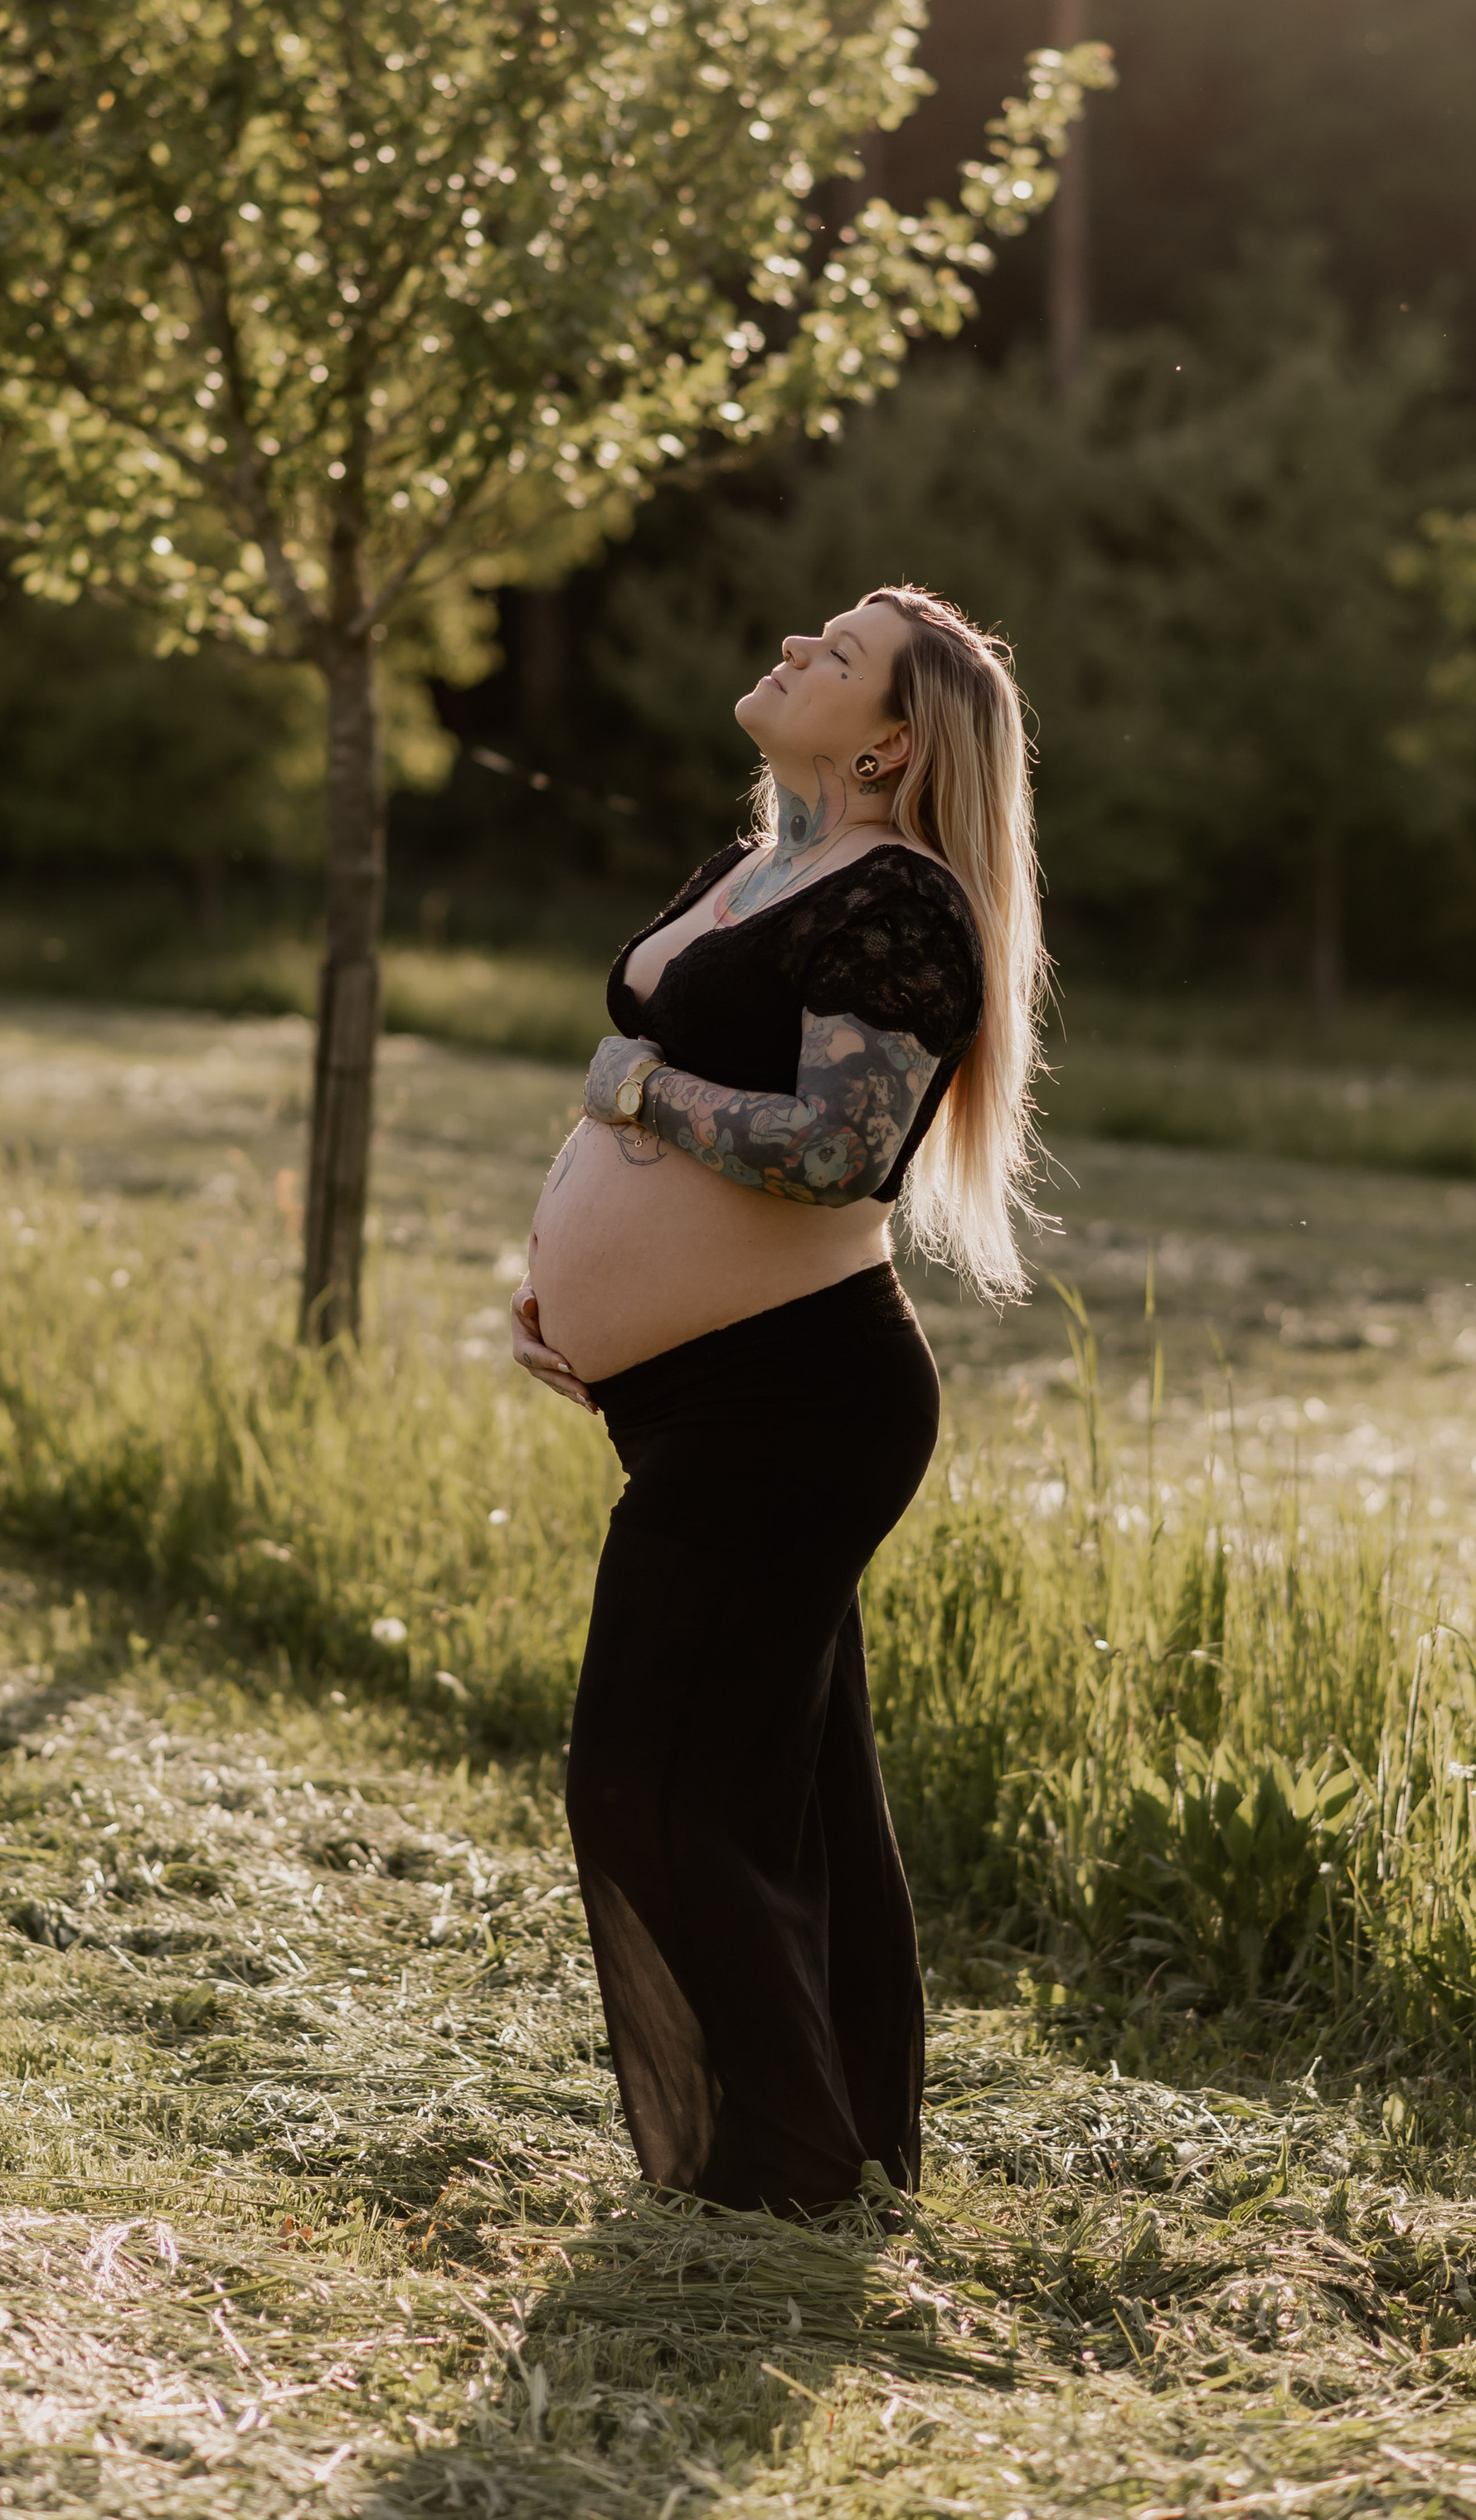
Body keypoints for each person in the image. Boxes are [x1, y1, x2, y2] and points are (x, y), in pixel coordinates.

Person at [510, 584, 1045, 2217]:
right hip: (695, 1400)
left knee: (647, 1776)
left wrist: (636, 1092)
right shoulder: (764, 866)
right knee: (789, 1786)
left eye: (840, 656)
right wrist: (577, 1290)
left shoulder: (901, 903)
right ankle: (847, 2142)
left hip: (795, 1408)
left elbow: (835, 1152)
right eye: (811, 631)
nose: (796, 649)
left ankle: (775, 2174)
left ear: (891, 741)